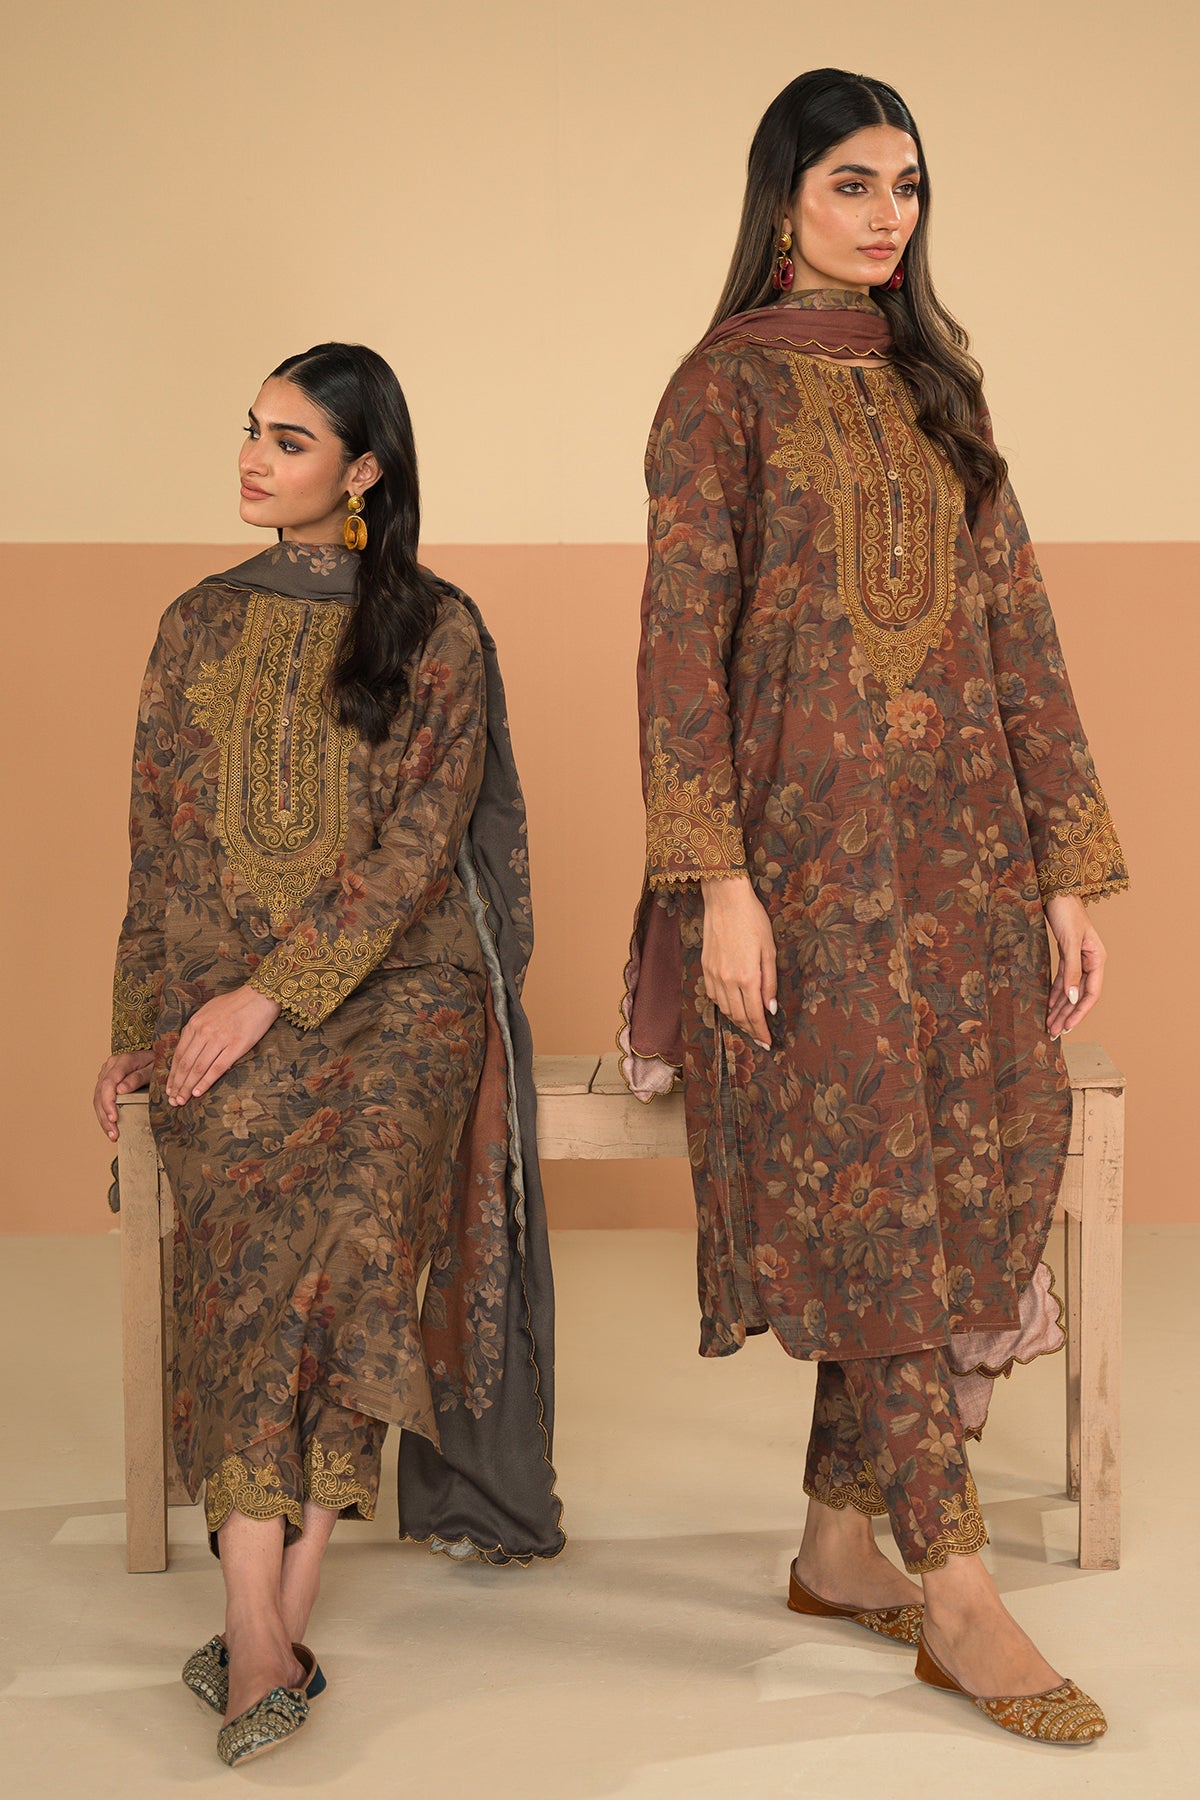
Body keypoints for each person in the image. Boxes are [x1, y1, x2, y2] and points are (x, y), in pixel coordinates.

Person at [620, 69, 1126, 1746]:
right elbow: (677, 656)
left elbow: (1020, 634)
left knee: (960, 1163)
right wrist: (719, 887)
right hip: (808, 871)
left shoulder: (934, 387)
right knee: (873, 1195)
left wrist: (1064, 869)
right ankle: (958, 1591)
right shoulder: (721, 395)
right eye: (853, 182)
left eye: (907, 185)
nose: (888, 214)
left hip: (962, 864)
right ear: (785, 200)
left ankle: (841, 1548)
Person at [93, 343, 564, 1768]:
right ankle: (263, 1630)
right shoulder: (193, 625)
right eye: (251, 431)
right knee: (249, 1233)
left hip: (406, 996)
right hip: (219, 992)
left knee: (356, 1225)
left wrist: (272, 996)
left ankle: (263, 1627)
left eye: (287, 441)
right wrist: (139, 1028)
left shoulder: (437, 630)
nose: (253, 458)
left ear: (363, 471)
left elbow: (421, 854)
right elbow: (160, 851)